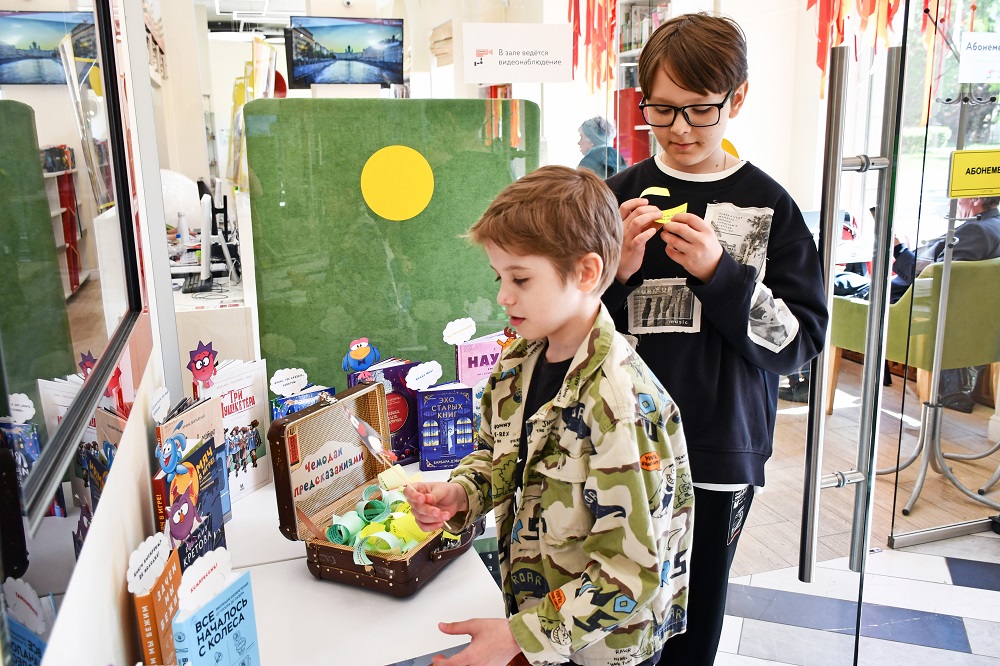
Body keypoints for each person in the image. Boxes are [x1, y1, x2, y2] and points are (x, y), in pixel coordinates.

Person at [601, 13, 828, 664]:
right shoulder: (616, 199)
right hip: (619, 448)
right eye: (661, 110)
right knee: (615, 613)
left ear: (739, 98)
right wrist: (611, 277)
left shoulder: (768, 206)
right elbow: (566, 332)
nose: (678, 130)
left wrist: (722, 276)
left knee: (692, 627)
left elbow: (797, 344)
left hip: (716, 455)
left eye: (700, 110)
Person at [403, 165, 694, 666]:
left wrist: (520, 637)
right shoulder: (518, 362)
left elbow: (631, 571)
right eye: (499, 277)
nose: (502, 295)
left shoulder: (619, 405)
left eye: (520, 278)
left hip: (604, 649)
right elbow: (495, 455)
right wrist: (460, 494)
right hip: (539, 618)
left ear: (585, 272)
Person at [825, 196, 1000, 411]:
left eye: (958, 198)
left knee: (826, 282)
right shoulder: (993, 227)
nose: (950, 203)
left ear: (976, 199)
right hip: (949, 313)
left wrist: (899, 250)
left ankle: (806, 381)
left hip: (903, 303)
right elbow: (946, 273)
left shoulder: (975, 231)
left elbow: (935, 283)